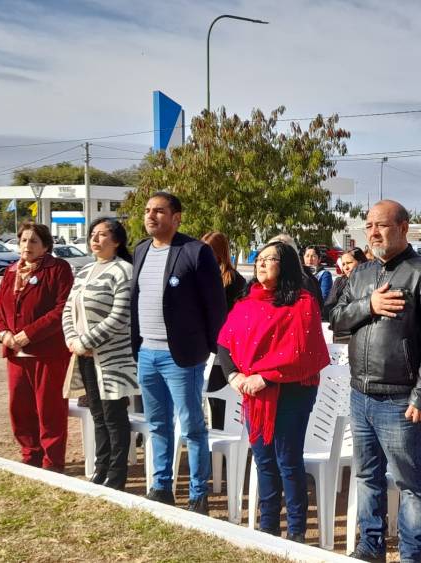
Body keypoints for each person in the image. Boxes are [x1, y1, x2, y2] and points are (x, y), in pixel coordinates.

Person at [331, 200, 421, 563]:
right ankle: (371, 547)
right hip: (361, 394)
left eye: (381, 225)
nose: (373, 232)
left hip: (402, 400)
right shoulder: (362, 274)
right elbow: (337, 319)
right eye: (368, 225)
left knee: (410, 483)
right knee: (367, 476)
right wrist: (369, 305)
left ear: (403, 227)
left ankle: (412, 554)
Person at [217, 241, 329, 542]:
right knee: (263, 459)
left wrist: (266, 377)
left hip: (292, 392)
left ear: (287, 265)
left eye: (271, 259)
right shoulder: (245, 304)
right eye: (259, 259)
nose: (262, 263)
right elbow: (224, 344)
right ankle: (268, 529)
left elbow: (304, 353)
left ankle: (295, 533)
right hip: (252, 393)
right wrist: (234, 377)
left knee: (288, 460)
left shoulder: (303, 303)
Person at [130, 192, 227, 513]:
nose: (151, 216)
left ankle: (198, 495)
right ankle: (161, 486)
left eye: (159, 211)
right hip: (147, 353)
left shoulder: (195, 252)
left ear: (176, 217)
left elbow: (215, 307)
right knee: (157, 423)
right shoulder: (141, 250)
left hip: (182, 357)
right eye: (147, 211)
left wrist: (216, 354)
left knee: (192, 426)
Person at [0, 221, 74, 471]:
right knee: (20, 407)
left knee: (49, 408)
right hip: (15, 353)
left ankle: (52, 460)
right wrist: (3, 333)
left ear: (46, 246)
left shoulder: (58, 268)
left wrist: (28, 334)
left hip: (47, 353)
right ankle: (30, 453)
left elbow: (62, 309)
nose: (27, 245)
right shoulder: (12, 271)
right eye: (24, 240)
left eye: (34, 241)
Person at [62, 218, 139, 490]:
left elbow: (120, 316)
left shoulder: (124, 271)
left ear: (116, 240)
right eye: (93, 234)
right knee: (97, 414)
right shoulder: (84, 271)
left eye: (103, 235)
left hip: (112, 358)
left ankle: (117, 475)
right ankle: (101, 467)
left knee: (114, 416)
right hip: (84, 356)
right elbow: (68, 309)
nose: (95, 239)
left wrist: (87, 340)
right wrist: (73, 340)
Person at [201, 231, 247, 429]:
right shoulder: (201, 275)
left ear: (219, 252)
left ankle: (222, 448)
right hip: (206, 347)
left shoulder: (234, 280)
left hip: (224, 350)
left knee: (220, 402)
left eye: (207, 250)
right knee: (213, 402)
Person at [323, 247, 368, 329]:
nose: (346, 267)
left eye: (349, 263)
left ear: (361, 262)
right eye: (343, 264)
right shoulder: (339, 282)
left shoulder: (370, 281)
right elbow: (328, 309)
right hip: (340, 330)